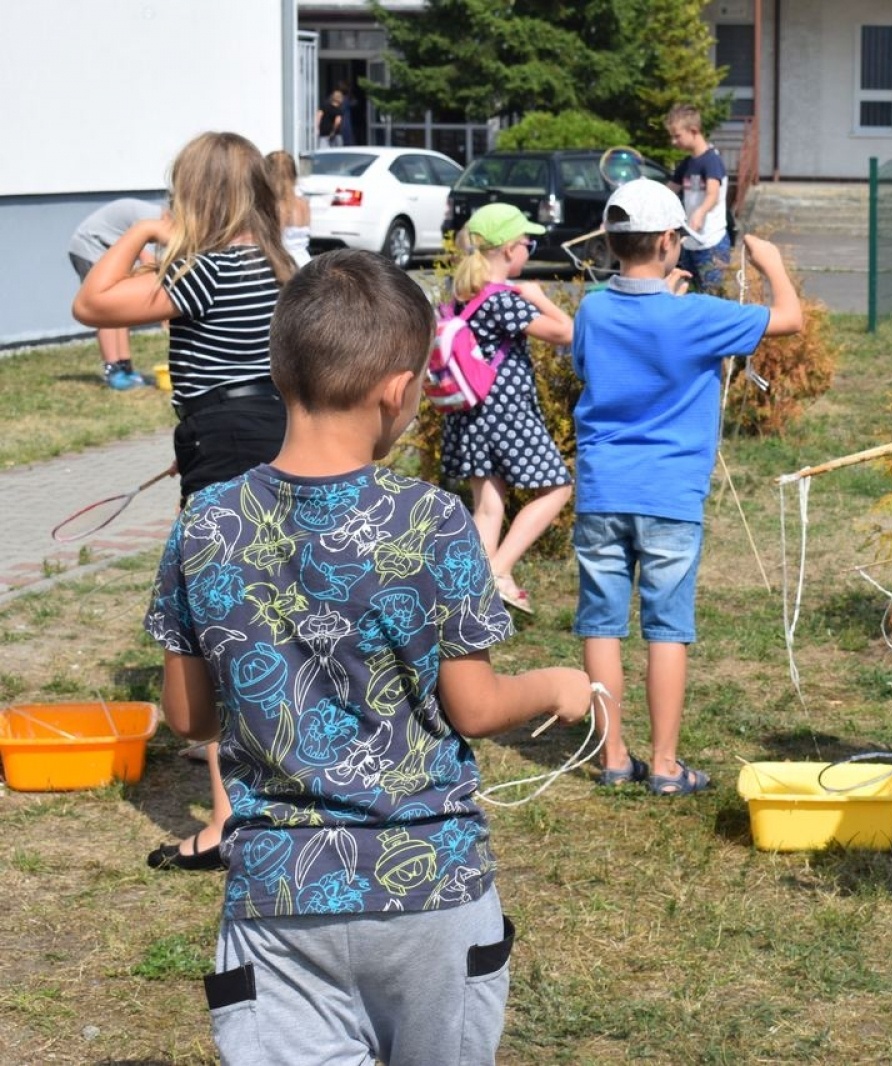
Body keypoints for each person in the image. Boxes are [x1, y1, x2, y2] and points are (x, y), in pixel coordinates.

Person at [144, 248, 594, 1065]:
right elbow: (475, 708)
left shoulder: (205, 520)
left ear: (280, 371)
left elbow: (189, 717)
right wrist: (555, 685)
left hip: (277, 894)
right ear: (398, 389)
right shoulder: (435, 519)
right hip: (430, 890)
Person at [73, 130, 298, 872]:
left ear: (194, 197)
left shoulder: (206, 268)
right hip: (272, 430)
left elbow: (92, 303)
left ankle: (229, 822)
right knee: (276, 612)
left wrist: (143, 229)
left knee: (220, 621)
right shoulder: (278, 265)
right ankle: (293, 788)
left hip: (224, 439)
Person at [572, 179, 802, 794]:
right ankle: (666, 765)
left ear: (612, 242)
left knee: (602, 623)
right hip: (670, 496)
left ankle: (613, 757)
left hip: (602, 489)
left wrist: (665, 302)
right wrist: (772, 265)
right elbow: (790, 319)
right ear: (670, 242)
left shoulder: (592, 309)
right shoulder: (696, 315)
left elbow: (599, 361)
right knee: (666, 628)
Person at [440, 203, 575, 616]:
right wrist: (540, 298)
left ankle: (475, 602)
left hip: (469, 412)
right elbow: (565, 332)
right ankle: (498, 570)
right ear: (508, 250)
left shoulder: (462, 293)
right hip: (506, 413)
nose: (529, 250)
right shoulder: (502, 299)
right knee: (557, 487)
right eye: (527, 243)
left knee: (488, 504)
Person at [66, 198, 163, 389]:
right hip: (89, 246)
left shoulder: (160, 222)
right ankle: (113, 371)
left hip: (106, 248)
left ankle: (125, 368)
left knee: (120, 310)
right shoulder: (151, 221)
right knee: (106, 309)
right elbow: (149, 266)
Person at [665, 104, 731, 290]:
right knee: (690, 294)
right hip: (690, 244)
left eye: (677, 136)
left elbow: (713, 194)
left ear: (693, 131)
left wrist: (700, 213)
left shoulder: (711, 160)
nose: (673, 141)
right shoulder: (687, 163)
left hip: (711, 243)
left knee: (712, 296)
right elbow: (669, 190)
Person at [264, 150, 312, 268]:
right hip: (305, 261)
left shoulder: (280, 206)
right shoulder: (303, 203)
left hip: (286, 264)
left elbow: (274, 244)